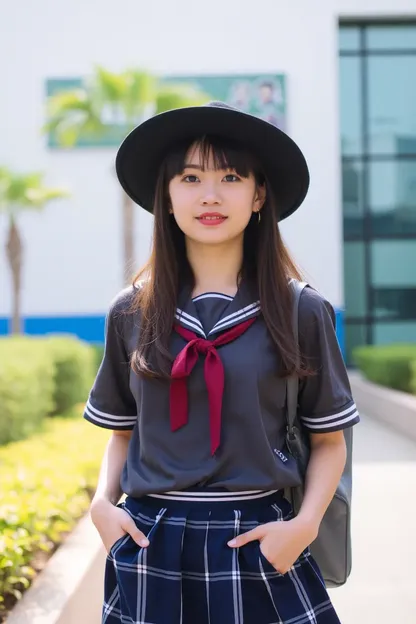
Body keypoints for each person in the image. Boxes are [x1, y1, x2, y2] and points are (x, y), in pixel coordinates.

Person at [85, 101, 360, 623]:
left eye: (231, 176)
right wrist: (103, 505)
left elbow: (329, 441)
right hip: (151, 542)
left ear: (258, 196)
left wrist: (301, 528)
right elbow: (122, 433)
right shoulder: (131, 311)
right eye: (190, 177)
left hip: (261, 541)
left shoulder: (301, 309)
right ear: (166, 197)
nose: (209, 195)